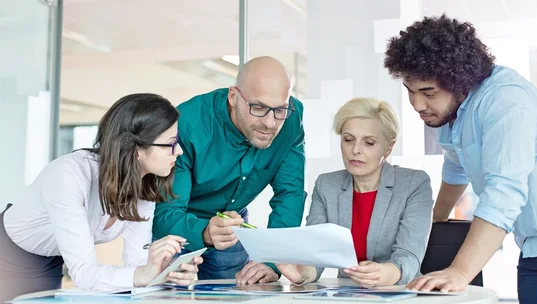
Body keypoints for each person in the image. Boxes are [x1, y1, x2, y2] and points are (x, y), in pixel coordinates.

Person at [384, 14, 537, 303]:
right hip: (534, 242)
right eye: (410, 91)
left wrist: (460, 271)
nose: (417, 105)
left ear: (460, 82)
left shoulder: (505, 101)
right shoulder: (456, 113)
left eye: (428, 93)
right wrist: (436, 218)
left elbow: (505, 191)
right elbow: (456, 165)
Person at [0, 93, 202, 302]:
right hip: (8, 253)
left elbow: (137, 264)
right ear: (136, 149)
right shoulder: (68, 175)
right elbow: (85, 274)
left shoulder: (142, 185)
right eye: (170, 143)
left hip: (52, 257)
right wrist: (144, 274)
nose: (178, 151)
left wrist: (165, 273)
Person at [152, 56, 306, 285]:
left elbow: (289, 194)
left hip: (232, 227)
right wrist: (204, 232)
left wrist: (274, 260)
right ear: (233, 96)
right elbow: (165, 211)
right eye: (259, 108)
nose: (271, 123)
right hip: (176, 227)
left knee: (232, 296)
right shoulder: (187, 124)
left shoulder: (292, 120)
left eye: (280, 110)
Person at [278, 98, 433, 287]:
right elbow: (317, 252)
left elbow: (409, 256)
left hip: (398, 290)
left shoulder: (414, 183)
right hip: (347, 293)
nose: (355, 150)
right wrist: (302, 274)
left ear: (389, 147)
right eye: (348, 139)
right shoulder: (327, 185)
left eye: (369, 142)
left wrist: (385, 273)